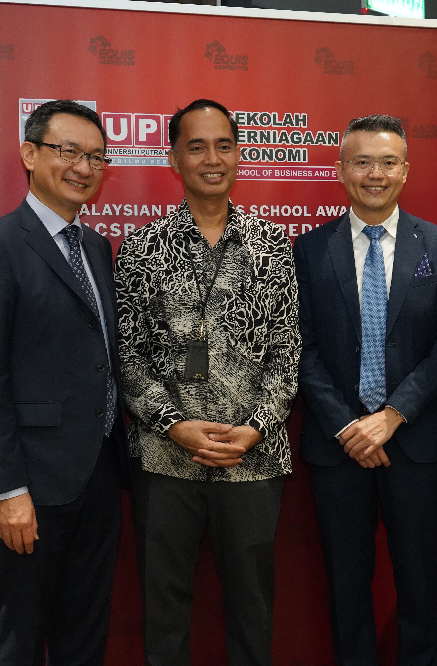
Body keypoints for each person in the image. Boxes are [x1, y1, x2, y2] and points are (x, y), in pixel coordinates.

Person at [114, 99, 299, 666]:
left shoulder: (273, 245)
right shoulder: (142, 248)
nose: (211, 159)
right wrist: (174, 425)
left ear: (239, 154)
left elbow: (287, 353)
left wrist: (255, 427)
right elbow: (128, 356)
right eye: (196, 147)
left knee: (252, 605)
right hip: (164, 459)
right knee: (164, 606)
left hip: (253, 458)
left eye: (223, 145)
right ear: (174, 159)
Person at [0, 99, 126, 665]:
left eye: (96, 156)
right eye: (68, 151)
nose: (83, 167)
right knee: (22, 635)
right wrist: (8, 491)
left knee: (85, 631)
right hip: (33, 481)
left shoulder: (94, 247)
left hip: (99, 470)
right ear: (29, 154)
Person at [293, 114, 437, 666]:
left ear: (406, 171)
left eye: (388, 162)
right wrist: (349, 425)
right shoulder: (308, 250)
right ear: (341, 169)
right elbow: (301, 348)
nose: (375, 174)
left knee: (420, 583)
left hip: (414, 443)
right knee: (346, 586)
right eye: (363, 161)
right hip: (338, 446)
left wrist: (392, 415)